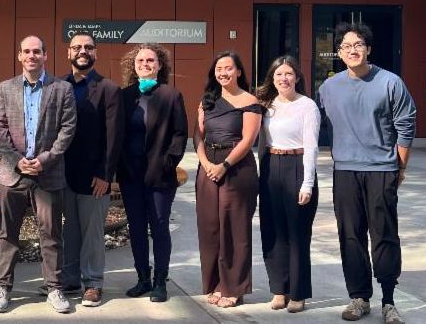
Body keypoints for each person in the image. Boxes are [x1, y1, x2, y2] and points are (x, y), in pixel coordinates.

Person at [318, 22, 416, 324]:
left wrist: (399, 167)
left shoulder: (390, 82)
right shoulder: (328, 87)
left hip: (381, 170)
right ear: (338, 52)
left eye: (358, 44)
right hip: (345, 170)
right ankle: (359, 297)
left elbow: (406, 124)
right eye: (346, 46)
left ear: (368, 49)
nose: (352, 50)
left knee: (384, 234)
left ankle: (388, 300)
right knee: (350, 235)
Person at [0, 35, 77, 314]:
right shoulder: (6, 88)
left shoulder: (61, 88)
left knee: (51, 234)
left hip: (47, 174)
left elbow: (67, 128)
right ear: (19, 56)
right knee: (7, 234)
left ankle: (54, 288)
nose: (31, 56)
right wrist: (18, 161)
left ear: (45, 56)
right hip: (12, 175)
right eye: (26, 51)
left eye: (37, 51)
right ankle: (2, 288)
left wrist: (44, 160)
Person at [117, 43, 188, 304]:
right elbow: (118, 135)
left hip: (160, 176)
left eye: (150, 60)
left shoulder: (171, 96)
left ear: (159, 65)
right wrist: (120, 165)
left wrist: (168, 163)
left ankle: (160, 281)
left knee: (159, 227)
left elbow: (180, 134)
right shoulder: (125, 96)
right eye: (140, 61)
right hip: (131, 176)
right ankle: (142, 279)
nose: (145, 64)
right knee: (136, 228)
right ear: (133, 66)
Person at [194, 51, 262, 309]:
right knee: (210, 227)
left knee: (234, 228)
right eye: (219, 69)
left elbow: (248, 140)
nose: (223, 73)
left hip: (236, 167)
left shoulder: (250, 101)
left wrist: (224, 165)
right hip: (208, 165)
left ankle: (234, 288)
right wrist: (207, 164)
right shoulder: (207, 101)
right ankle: (215, 283)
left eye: (228, 68)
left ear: (239, 72)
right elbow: (197, 136)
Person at [60, 32, 121, 308]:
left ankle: (93, 282)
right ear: (68, 53)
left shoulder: (108, 89)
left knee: (93, 231)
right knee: (70, 229)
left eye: (88, 47)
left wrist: (105, 175)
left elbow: (113, 136)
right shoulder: (58, 86)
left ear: (95, 53)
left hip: (95, 175)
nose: (82, 51)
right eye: (77, 47)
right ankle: (70, 279)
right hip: (62, 174)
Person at [255, 55, 320, 314]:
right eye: (279, 74)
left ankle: (298, 293)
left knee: (297, 235)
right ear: (272, 78)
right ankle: (279, 290)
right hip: (271, 166)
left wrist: (307, 184)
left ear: (297, 78)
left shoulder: (307, 106)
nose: (284, 78)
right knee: (272, 232)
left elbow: (312, 146)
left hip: (297, 166)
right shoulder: (266, 106)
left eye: (289, 73)